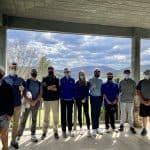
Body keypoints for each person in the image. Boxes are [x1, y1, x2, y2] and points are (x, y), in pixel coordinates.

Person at [4, 62, 26, 149]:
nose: (13, 69)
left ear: (16, 69)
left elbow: (26, 90)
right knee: (5, 125)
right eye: (12, 67)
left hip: (17, 106)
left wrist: (24, 89)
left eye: (15, 68)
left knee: (16, 124)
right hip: (7, 106)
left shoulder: (20, 80)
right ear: (9, 68)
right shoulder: (5, 79)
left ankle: (13, 141)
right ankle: (4, 143)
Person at [17, 69, 41, 142]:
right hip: (27, 104)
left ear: (37, 74)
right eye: (33, 73)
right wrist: (30, 101)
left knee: (34, 120)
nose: (34, 74)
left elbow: (40, 93)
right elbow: (24, 92)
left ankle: (33, 135)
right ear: (31, 74)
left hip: (36, 104)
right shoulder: (27, 81)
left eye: (35, 73)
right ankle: (19, 135)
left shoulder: (39, 83)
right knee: (23, 120)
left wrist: (35, 101)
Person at [41, 66, 60, 140]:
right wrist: (52, 87)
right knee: (46, 117)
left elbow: (57, 89)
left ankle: (55, 131)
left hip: (55, 100)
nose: (50, 71)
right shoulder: (44, 78)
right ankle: (44, 132)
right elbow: (44, 88)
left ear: (53, 70)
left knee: (55, 116)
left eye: (51, 70)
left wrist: (49, 87)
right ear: (47, 70)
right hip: (46, 100)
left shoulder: (57, 79)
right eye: (49, 70)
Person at [0, 66, 14, 150]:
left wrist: (10, 114)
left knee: (4, 135)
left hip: (4, 116)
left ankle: (5, 148)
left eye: (0, 72)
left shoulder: (8, 87)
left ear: (3, 74)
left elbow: (11, 102)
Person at [119, 69, 136, 134]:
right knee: (123, 114)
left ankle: (131, 126)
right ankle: (121, 125)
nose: (126, 74)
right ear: (124, 74)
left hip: (130, 101)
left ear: (129, 74)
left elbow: (134, 92)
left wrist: (132, 97)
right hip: (123, 101)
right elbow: (119, 91)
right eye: (125, 73)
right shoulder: (121, 82)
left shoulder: (133, 82)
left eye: (128, 73)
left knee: (130, 115)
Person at [60, 68, 75, 138]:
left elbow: (74, 90)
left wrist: (73, 97)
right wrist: (61, 97)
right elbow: (60, 89)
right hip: (63, 100)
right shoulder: (61, 80)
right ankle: (64, 131)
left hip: (70, 100)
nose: (67, 73)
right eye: (65, 72)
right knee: (63, 116)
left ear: (70, 72)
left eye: (68, 72)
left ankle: (70, 130)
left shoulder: (72, 80)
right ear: (64, 72)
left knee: (70, 115)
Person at [75, 71, 90, 136]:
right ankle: (81, 128)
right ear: (79, 75)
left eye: (82, 75)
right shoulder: (77, 83)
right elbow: (76, 92)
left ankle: (88, 129)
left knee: (86, 114)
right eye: (80, 75)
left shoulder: (87, 83)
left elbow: (87, 92)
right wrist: (80, 99)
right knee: (79, 114)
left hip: (85, 100)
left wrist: (85, 98)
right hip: (79, 100)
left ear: (84, 75)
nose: (81, 76)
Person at [89, 68, 103, 136]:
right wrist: (92, 87)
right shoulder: (90, 80)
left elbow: (102, 90)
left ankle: (97, 128)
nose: (97, 73)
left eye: (98, 72)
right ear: (94, 73)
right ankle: (93, 129)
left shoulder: (101, 80)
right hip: (93, 98)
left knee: (98, 113)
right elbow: (88, 90)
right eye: (96, 72)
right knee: (93, 114)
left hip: (99, 98)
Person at [136, 70, 150, 136]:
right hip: (143, 102)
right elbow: (138, 92)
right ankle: (144, 129)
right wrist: (143, 101)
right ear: (144, 74)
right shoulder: (141, 82)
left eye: (148, 73)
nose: (147, 74)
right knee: (144, 116)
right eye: (146, 73)